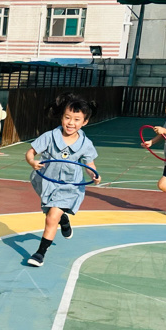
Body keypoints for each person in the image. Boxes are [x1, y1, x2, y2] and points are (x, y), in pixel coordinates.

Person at [24, 93, 101, 267]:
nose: (71, 123)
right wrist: (32, 162)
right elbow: (30, 152)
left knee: (51, 217)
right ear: (61, 117)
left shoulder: (85, 143)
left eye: (77, 119)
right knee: (53, 214)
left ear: (85, 122)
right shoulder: (50, 136)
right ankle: (64, 220)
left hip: (69, 186)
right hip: (46, 182)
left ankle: (40, 253)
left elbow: (89, 164)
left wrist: (94, 175)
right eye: (67, 117)